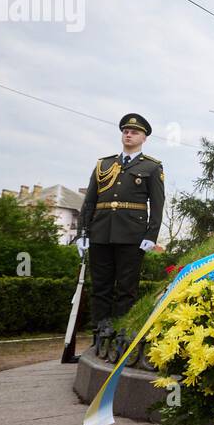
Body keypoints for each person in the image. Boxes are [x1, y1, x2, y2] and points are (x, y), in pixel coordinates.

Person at [77, 114, 164, 328]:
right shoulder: (103, 165)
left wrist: (151, 235)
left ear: (144, 138)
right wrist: (82, 233)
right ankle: (100, 336)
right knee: (101, 288)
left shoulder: (152, 167)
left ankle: (119, 336)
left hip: (132, 236)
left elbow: (158, 204)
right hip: (101, 233)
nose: (129, 134)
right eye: (126, 131)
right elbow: (89, 202)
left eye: (134, 132)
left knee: (126, 289)